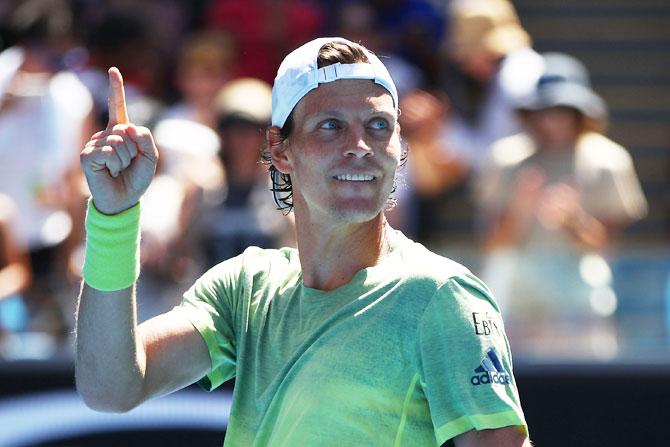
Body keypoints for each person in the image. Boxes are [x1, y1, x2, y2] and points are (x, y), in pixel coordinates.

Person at [76, 37, 530, 446]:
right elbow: (110, 388)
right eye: (330, 126)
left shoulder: (442, 295)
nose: (360, 145)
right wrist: (113, 219)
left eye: (378, 125)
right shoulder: (244, 287)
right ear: (280, 150)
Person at [477, 53, 648, 358]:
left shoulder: (608, 161)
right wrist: (520, 210)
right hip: (519, 298)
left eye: (562, 111)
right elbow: (493, 245)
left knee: (587, 394)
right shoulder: (505, 160)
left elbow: (610, 249)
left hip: (579, 300)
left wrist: (573, 221)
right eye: (544, 111)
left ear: (580, 113)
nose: (551, 121)